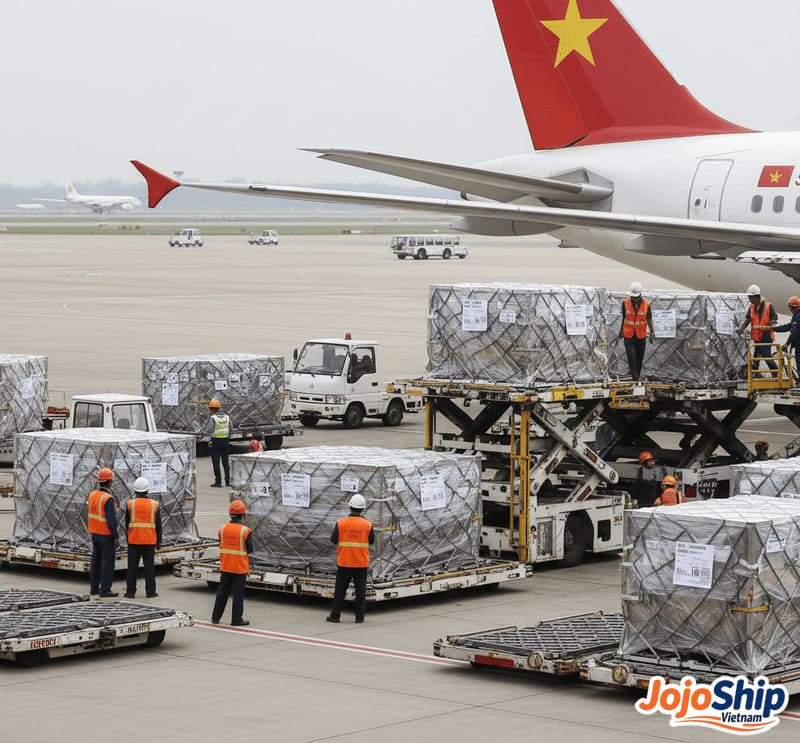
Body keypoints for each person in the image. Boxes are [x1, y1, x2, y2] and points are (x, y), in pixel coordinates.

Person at [326, 494, 374, 624]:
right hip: (361, 563)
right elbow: (371, 541)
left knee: (340, 590)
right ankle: (359, 617)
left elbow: (333, 540)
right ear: (363, 509)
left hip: (345, 562)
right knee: (360, 592)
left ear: (350, 507)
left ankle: (335, 616)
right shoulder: (368, 525)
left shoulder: (341, 523)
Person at [211, 499, 252, 626]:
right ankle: (236, 619)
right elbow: (250, 549)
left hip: (226, 566)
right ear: (243, 515)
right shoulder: (246, 531)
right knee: (238, 594)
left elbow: (221, 544)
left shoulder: (222, 529)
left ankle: (215, 617)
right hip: (239, 568)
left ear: (230, 514)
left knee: (222, 592)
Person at [124, 476, 162, 599]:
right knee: (149, 567)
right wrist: (159, 541)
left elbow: (127, 523)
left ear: (135, 490)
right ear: (147, 490)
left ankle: (130, 592)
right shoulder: (154, 505)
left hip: (134, 540)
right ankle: (150, 592)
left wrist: (127, 537)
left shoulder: (130, 504)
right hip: (149, 540)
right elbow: (158, 525)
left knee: (132, 568)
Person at [87, 467, 119, 597]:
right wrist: (115, 536)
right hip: (105, 535)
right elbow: (111, 520)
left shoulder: (92, 495)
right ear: (109, 482)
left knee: (96, 561)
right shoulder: (107, 498)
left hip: (94, 533)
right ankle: (105, 589)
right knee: (107, 562)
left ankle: (94, 588)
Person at [618, 281, 655, 381]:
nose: (634, 299)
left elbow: (649, 318)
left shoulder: (646, 304)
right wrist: (621, 331)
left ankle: (636, 376)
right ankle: (635, 377)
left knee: (639, 358)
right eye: (632, 297)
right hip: (628, 335)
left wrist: (652, 332)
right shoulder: (625, 303)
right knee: (631, 357)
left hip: (640, 335)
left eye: (635, 297)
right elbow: (624, 318)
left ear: (640, 295)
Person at [739, 284, 777, 377]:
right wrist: (742, 328)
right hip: (757, 336)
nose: (749, 299)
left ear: (757, 297)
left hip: (766, 335)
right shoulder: (752, 307)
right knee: (757, 356)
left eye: (750, 297)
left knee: (766, 355)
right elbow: (748, 318)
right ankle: (755, 373)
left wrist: (770, 324)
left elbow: (774, 317)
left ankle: (776, 373)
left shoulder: (768, 306)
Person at [207, 398, 233, 488]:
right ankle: (228, 481)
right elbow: (231, 429)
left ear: (212, 409)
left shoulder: (213, 418)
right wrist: (228, 438)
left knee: (216, 462)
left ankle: (218, 482)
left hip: (216, 442)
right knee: (225, 462)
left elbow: (209, 430)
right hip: (225, 441)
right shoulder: (227, 418)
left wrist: (210, 437)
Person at [775, 295, 800, 382]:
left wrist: (787, 343)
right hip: (797, 344)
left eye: (791, 307)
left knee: (799, 361)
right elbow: (788, 326)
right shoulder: (796, 315)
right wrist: (775, 328)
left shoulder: (798, 316)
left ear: (794, 307)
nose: (790, 310)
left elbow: (794, 332)